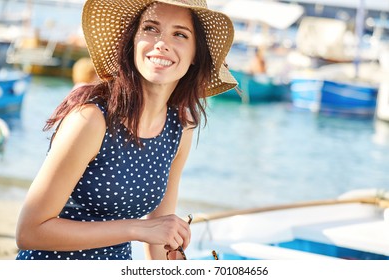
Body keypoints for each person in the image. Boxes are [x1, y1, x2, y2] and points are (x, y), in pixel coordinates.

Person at [15, 0, 236, 260]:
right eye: (151, 29)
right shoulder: (91, 120)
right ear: (132, 42)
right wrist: (136, 229)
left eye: (179, 34)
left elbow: (159, 237)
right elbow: (29, 231)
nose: (162, 43)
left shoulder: (179, 129)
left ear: (195, 55)